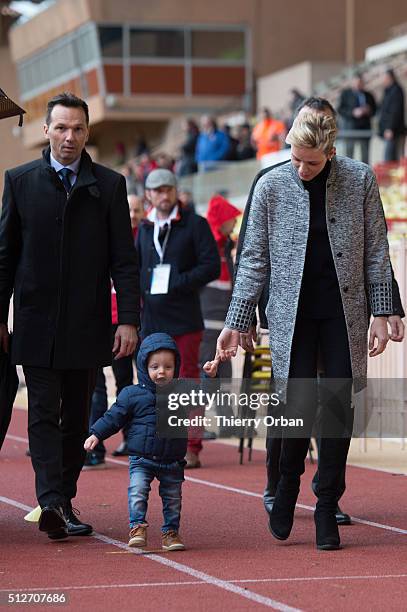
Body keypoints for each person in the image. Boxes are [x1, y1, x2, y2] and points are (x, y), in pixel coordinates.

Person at [217, 110, 402, 551]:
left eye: (311, 162)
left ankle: (326, 505)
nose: (301, 169)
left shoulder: (360, 179)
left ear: (332, 151)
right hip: (290, 314)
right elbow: (253, 259)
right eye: (295, 159)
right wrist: (236, 320)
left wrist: (383, 311)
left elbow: (377, 249)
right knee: (294, 404)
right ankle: (285, 485)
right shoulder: (270, 184)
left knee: (338, 409)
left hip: (343, 312)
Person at [0, 92, 139, 540]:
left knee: (77, 418)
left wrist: (129, 319)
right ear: (46, 131)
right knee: (42, 411)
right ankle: (51, 502)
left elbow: (125, 260)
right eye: (61, 128)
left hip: (88, 321)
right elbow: (5, 256)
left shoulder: (111, 186)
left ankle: (64, 493)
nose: (69, 137)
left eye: (78, 129)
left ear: (87, 132)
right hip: (36, 320)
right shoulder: (19, 181)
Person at [84, 332, 219, 550]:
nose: (161, 372)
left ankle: (171, 532)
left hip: (173, 460)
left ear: (176, 367)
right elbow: (113, 417)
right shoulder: (132, 395)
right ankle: (137, 527)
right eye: (155, 367)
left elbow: (203, 398)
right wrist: (96, 434)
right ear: (144, 367)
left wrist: (209, 379)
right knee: (137, 492)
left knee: (173, 500)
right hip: (141, 458)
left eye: (167, 367)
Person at [136, 168, 220, 468]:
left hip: (184, 318)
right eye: (156, 190)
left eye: (167, 189)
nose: (162, 195)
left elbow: (211, 265)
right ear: (149, 194)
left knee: (185, 383)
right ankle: (158, 443)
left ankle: (191, 446)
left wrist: (179, 282)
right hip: (151, 319)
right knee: (152, 384)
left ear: (175, 191)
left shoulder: (194, 225)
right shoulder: (144, 228)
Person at [85, 193, 145, 467]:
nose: (131, 214)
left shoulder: (144, 236)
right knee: (94, 385)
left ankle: (131, 439)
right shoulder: (102, 231)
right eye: (127, 209)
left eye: (136, 209)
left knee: (125, 384)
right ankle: (93, 446)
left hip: (126, 320)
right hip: (98, 320)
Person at [200, 194, 241, 380]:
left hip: (224, 318)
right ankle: (199, 406)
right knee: (207, 363)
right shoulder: (207, 249)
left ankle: (224, 407)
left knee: (224, 363)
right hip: (207, 319)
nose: (234, 223)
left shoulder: (225, 247)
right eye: (231, 219)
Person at [337, 73, 376, 164]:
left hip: (365, 129)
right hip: (350, 129)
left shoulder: (369, 95)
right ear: (352, 83)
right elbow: (340, 109)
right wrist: (353, 112)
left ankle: (365, 176)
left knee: (365, 156)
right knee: (349, 155)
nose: (359, 84)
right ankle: (348, 176)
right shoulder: (345, 94)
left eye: (361, 82)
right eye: (357, 82)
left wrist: (368, 110)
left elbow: (375, 110)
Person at [378, 68, 406, 162]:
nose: (381, 80)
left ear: (389, 77)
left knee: (390, 159)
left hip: (393, 131)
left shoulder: (396, 90)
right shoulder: (388, 90)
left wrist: (390, 128)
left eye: (383, 77)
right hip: (390, 130)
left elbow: (395, 111)